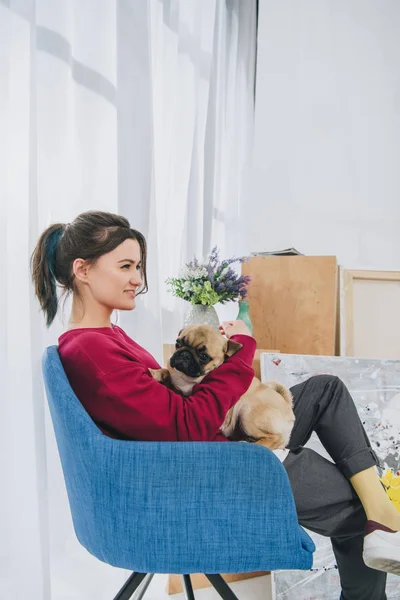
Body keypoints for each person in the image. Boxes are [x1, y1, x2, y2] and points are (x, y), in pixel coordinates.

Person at [31, 210, 400, 600]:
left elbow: (170, 403)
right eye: (125, 266)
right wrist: (240, 352)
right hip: (211, 467)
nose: (138, 279)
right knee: (353, 513)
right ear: (82, 270)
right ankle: (378, 521)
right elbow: (185, 425)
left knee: (325, 390)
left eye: (138, 266)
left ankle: (384, 514)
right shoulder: (91, 350)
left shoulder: (106, 336)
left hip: (208, 445)